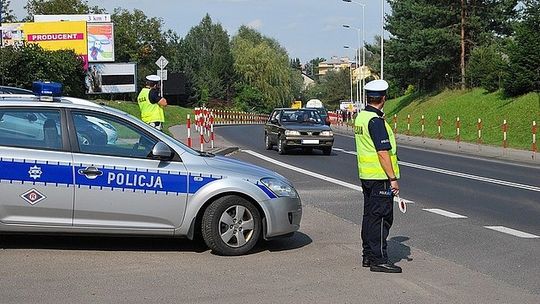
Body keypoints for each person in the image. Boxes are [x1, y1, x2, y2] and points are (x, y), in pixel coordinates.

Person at [354, 79, 402, 273]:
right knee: (381, 219)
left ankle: (368, 255)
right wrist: (393, 178)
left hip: (367, 176)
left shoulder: (361, 117)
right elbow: (383, 152)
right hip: (380, 177)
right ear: (383, 98)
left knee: (369, 218)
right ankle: (379, 259)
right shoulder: (376, 121)